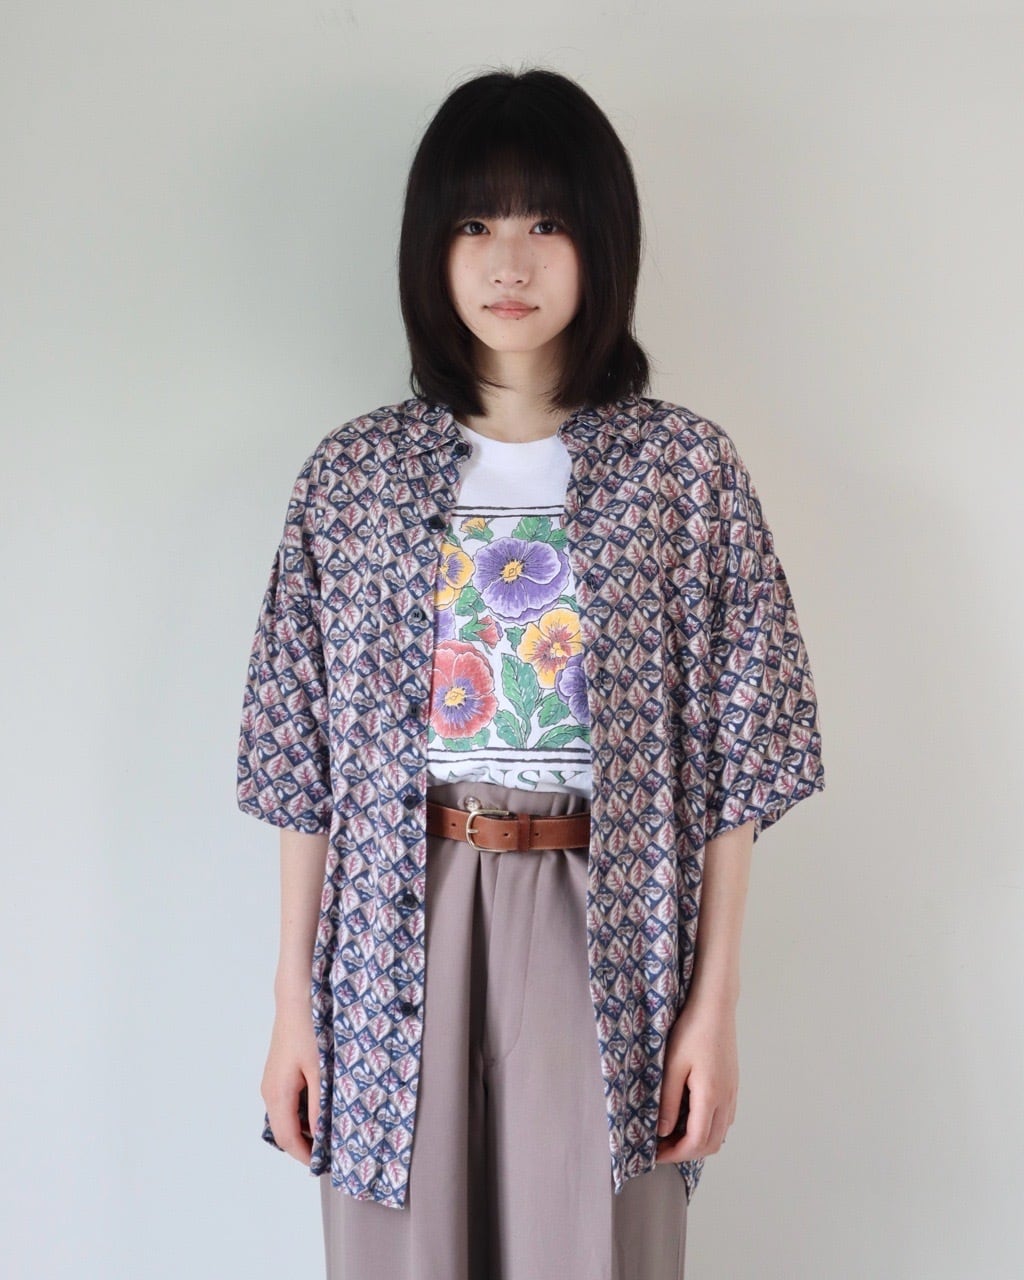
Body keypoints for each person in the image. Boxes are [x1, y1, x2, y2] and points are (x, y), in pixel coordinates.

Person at [236, 66, 826, 1280]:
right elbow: (302, 764)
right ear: (431, 248)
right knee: (403, 1251)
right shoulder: (352, 478)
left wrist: (713, 1006)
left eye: (546, 220)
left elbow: (743, 760)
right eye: (475, 222)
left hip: (604, 919)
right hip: (397, 919)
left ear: (602, 240)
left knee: (594, 1246)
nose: (509, 260)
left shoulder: (682, 472)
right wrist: (292, 1002)